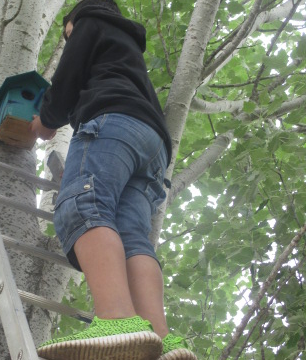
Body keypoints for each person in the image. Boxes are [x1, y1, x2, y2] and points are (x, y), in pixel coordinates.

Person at [31, 1, 196, 359]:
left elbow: (65, 82)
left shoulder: (89, 23)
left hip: (114, 123)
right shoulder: (127, 51)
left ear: (74, 19)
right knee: (133, 235)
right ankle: (162, 340)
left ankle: (117, 320)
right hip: (153, 146)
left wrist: (43, 123)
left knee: (83, 205)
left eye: (65, 32)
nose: (67, 36)